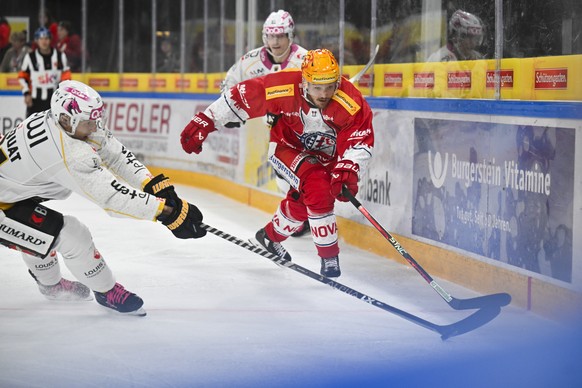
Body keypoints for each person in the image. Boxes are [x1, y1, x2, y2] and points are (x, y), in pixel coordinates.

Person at [0, 80, 206, 316]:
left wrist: (151, 183)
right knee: (72, 235)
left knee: (40, 230)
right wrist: (166, 213)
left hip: (13, 190)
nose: (96, 127)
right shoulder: (68, 152)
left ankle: (49, 285)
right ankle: (105, 291)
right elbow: (112, 197)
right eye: (90, 122)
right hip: (4, 204)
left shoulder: (61, 121)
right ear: (67, 119)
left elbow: (115, 154)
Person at [181, 49, 374, 278]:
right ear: (304, 82)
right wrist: (207, 119)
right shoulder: (285, 86)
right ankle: (329, 258)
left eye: (329, 86)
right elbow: (244, 95)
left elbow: (360, 140)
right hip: (286, 148)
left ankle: (269, 238)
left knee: (307, 200)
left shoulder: (350, 101)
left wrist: (348, 168)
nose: (324, 94)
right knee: (318, 187)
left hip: (326, 158)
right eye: (317, 87)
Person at [221, 9, 310, 237]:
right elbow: (229, 83)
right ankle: (301, 214)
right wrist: (230, 112)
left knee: (302, 172)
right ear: (265, 37)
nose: (275, 41)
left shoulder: (305, 60)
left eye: (280, 36)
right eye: (271, 36)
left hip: (305, 127)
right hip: (277, 132)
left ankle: (304, 214)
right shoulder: (251, 61)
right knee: (282, 174)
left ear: (290, 36)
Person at [18, 27, 71, 117]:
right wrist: (26, 93)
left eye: (46, 38)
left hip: (54, 100)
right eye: (41, 39)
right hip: (35, 101)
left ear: (50, 40)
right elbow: (22, 77)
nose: (44, 41)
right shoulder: (30, 57)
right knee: (31, 128)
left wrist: (63, 95)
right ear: (36, 40)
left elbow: (66, 76)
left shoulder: (60, 56)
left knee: (55, 128)